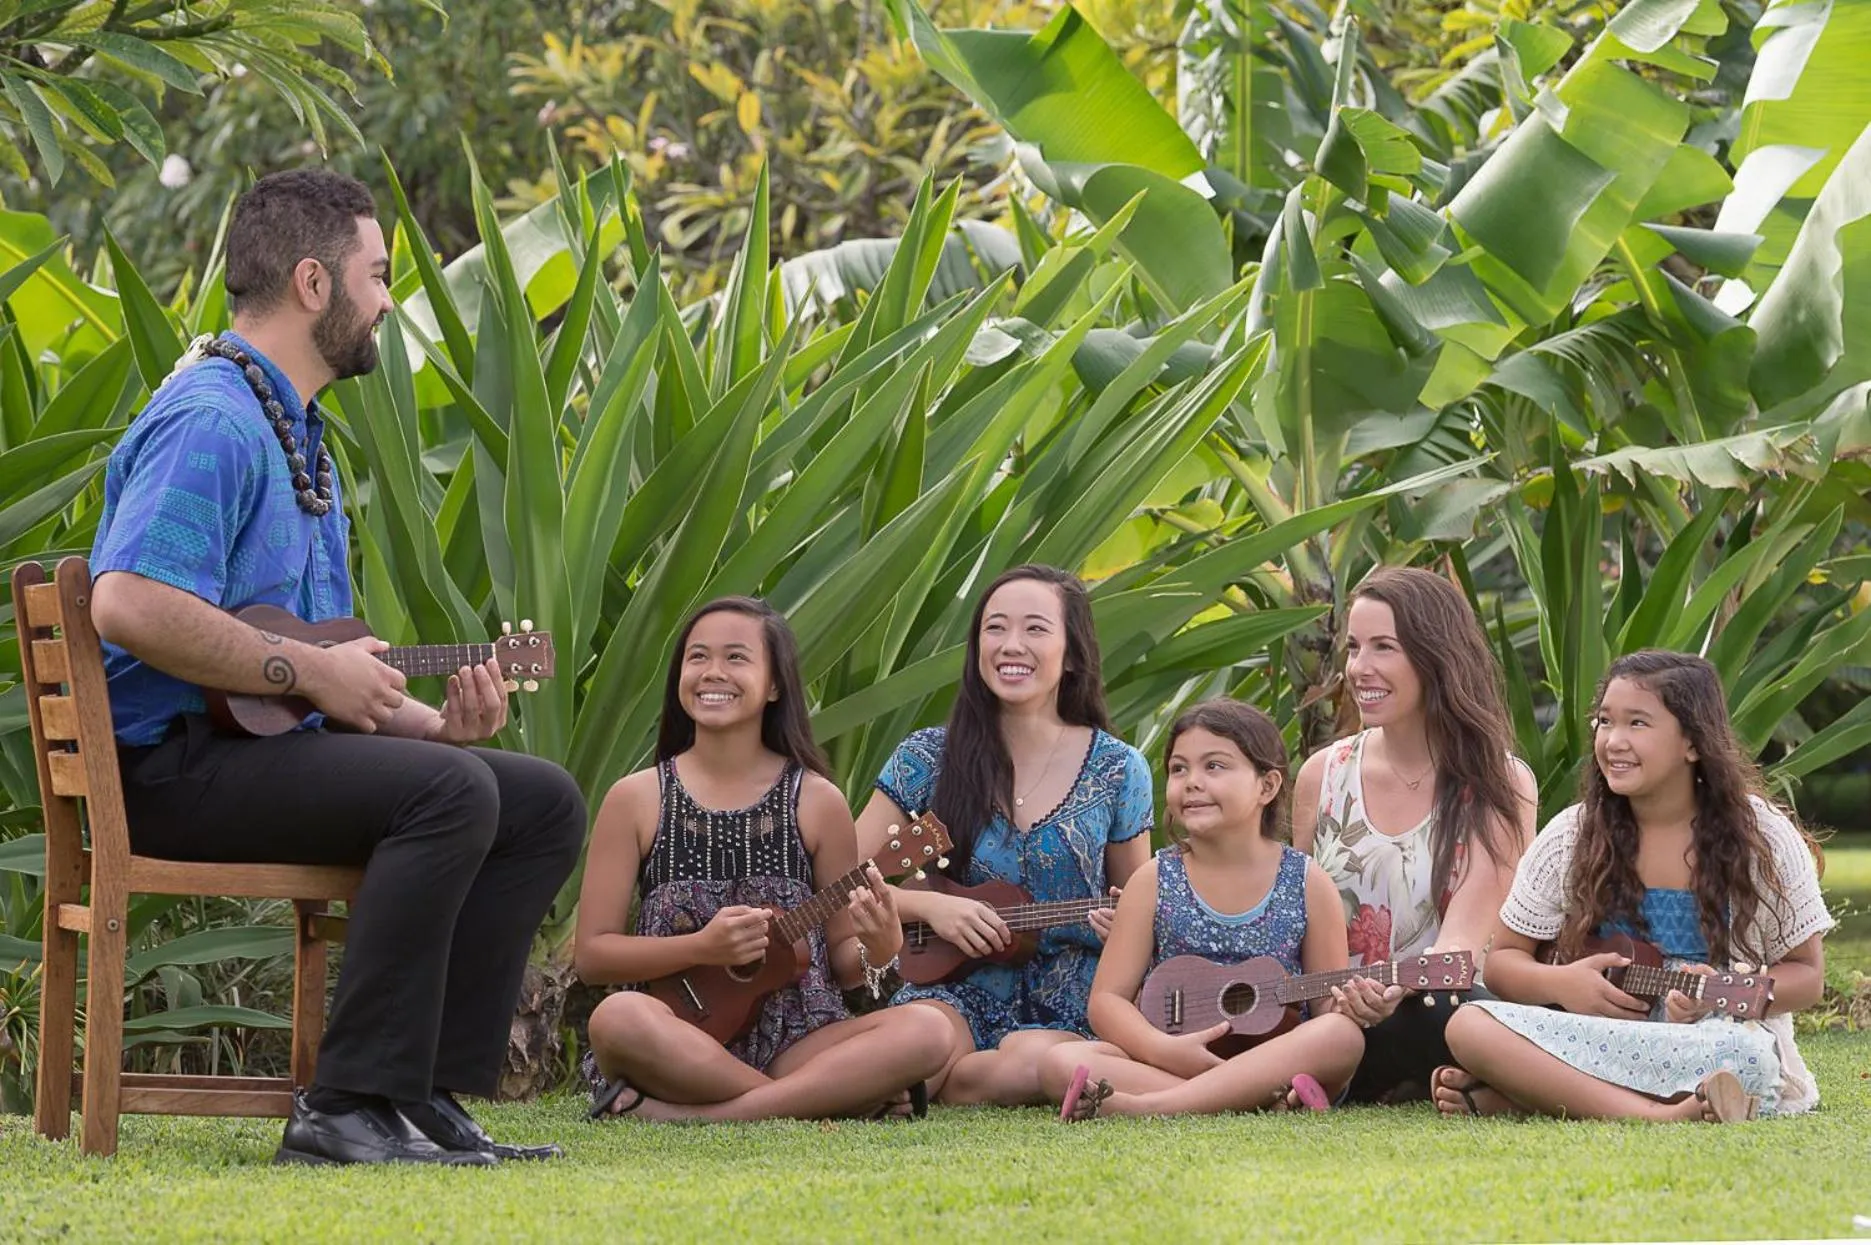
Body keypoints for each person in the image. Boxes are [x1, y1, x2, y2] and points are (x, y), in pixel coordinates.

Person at [89, 169, 586, 1165]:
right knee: (448, 796)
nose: (390, 299)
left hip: (245, 756)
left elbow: (312, 675)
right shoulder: (215, 421)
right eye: (378, 275)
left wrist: (436, 726)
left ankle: (423, 1093)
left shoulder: (299, 437)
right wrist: (306, 675)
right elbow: (127, 601)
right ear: (315, 284)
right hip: (168, 770)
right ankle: (344, 1106)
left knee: (538, 801)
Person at [576, 598, 952, 1121]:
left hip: (799, 1041)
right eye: (697, 657)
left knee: (932, 1028)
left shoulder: (817, 801)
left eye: (736, 658)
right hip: (678, 1032)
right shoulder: (637, 798)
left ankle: (701, 1115)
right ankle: (817, 1100)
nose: (713, 673)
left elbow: (842, 957)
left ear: (775, 685)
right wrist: (701, 948)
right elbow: (593, 956)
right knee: (616, 1017)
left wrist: (880, 950)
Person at [1431, 650, 1833, 1122]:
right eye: (1605, 722)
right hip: (1597, 1037)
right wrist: (1564, 983)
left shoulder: (1758, 836)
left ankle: (1537, 1093)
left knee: (1748, 1059)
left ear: (1693, 743)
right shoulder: (1572, 835)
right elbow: (1502, 964)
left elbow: (1807, 977)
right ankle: (1657, 1112)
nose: (1614, 741)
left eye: (1637, 724)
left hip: (1706, 1044)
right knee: (1469, 1026)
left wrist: (1720, 992)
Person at [855, 564, 1153, 1105]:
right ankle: (944, 1078)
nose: (1011, 644)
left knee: (1040, 1062)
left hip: (1073, 998)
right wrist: (930, 909)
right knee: (916, 1043)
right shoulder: (925, 758)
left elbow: (1138, 901)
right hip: (952, 987)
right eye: (995, 628)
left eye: (1035, 629)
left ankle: (951, 1084)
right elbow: (845, 879)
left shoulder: (1118, 769)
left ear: (1073, 653)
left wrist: (1123, 927)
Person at [1045, 700, 1364, 1120]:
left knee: (1341, 1036)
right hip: (1172, 1057)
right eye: (1179, 769)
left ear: (1266, 787)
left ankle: (1150, 1107)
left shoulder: (1307, 881)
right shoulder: (1154, 879)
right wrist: (1166, 1050)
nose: (1191, 782)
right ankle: (1252, 1102)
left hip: (1274, 1056)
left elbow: (1324, 1005)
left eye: (1214, 766)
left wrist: (1352, 1004)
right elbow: (1106, 1000)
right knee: (1058, 1062)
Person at [1290, 566, 1537, 1102]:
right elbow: (1298, 922)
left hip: (1435, 1003)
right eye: (1354, 647)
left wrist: (1390, 990)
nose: (1360, 667)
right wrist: (1338, 999)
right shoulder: (1322, 775)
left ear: (1435, 656)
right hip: (1330, 1014)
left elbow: (1461, 948)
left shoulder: (1500, 782)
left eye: (1384, 647)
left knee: (1455, 1008)